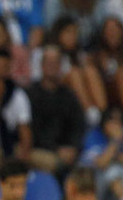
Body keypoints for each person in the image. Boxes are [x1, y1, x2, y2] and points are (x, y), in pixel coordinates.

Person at [26, 45, 86, 173]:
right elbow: (31, 130)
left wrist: (73, 147)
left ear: (60, 66)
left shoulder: (69, 95)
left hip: (67, 150)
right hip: (39, 149)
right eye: (48, 62)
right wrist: (56, 149)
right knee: (54, 163)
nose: (52, 66)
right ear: (41, 66)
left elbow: (78, 124)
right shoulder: (30, 94)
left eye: (55, 62)